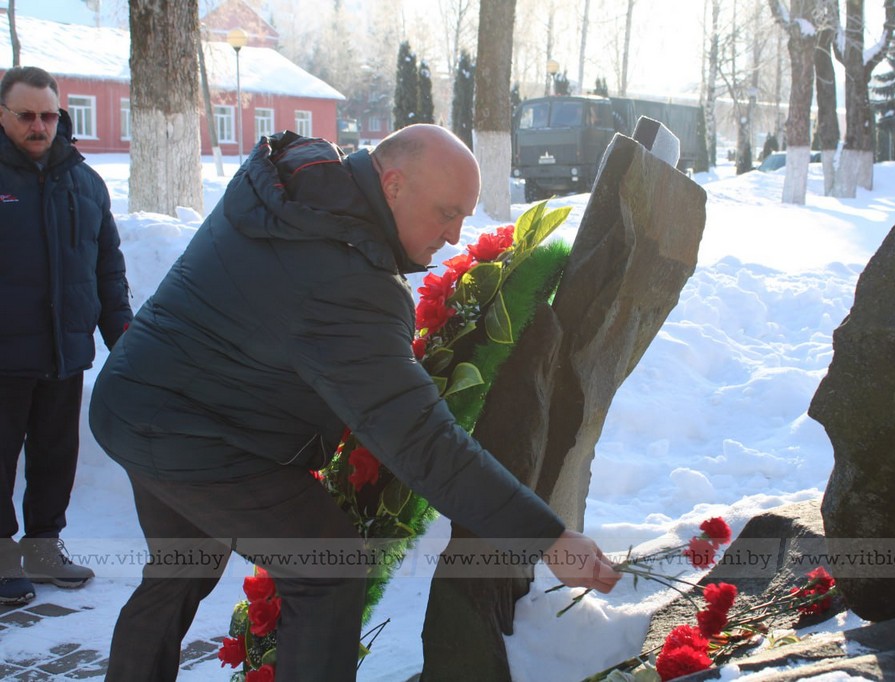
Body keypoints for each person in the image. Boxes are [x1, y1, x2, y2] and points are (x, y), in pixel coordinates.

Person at [89, 124, 621, 681]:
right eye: (446, 213)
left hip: (140, 399)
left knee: (180, 568)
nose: (456, 236)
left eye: (464, 216)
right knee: (329, 567)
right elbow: (420, 442)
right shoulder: (342, 276)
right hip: (194, 433)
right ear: (391, 185)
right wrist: (547, 537)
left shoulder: (304, 188)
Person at [0, 66, 133, 606]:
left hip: (63, 350)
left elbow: (107, 267)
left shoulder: (85, 182)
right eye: (27, 115)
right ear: (3, 115)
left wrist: (121, 336)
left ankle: (43, 547)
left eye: (49, 115)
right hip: (3, 354)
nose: (40, 126)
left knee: (56, 455)